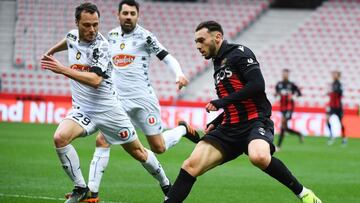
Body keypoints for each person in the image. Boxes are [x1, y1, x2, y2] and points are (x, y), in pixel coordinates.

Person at [163, 21, 322, 203]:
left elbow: (256, 85)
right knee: (190, 166)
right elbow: (236, 99)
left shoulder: (239, 53)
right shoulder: (217, 64)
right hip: (229, 127)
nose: (198, 46)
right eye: (196, 42)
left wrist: (221, 102)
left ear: (217, 37)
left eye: (201, 40)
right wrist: (218, 119)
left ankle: (304, 194)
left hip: (255, 121)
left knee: (259, 157)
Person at [41, 3, 171, 203]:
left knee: (138, 152)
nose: (92, 30)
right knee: (60, 138)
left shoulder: (101, 47)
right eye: (86, 25)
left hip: (109, 111)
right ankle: (81, 188)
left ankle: (166, 183)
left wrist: (62, 69)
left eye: (95, 24)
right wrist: (50, 53)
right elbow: (67, 40)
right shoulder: (72, 36)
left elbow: (95, 80)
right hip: (83, 110)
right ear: (77, 24)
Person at [78, 0, 200, 201]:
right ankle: (92, 192)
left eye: (132, 13)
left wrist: (179, 74)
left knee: (158, 147)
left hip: (143, 100)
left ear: (137, 16)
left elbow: (167, 56)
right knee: (102, 139)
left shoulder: (146, 36)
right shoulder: (111, 36)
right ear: (118, 15)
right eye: (125, 13)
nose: (128, 16)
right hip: (118, 101)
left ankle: (183, 130)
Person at [275, 69, 303, 150]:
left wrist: (293, 96)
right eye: (283, 74)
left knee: (283, 126)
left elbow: (299, 94)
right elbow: (276, 93)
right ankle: (299, 134)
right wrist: (277, 94)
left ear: (288, 75)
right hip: (282, 108)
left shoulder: (292, 85)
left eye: (286, 74)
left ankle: (278, 146)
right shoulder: (279, 84)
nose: (285, 75)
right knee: (285, 128)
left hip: (290, 108)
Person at [326, 71, 346, 145]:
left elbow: (340, 93)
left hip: (338, 107)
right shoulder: (332, 84)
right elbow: (329, 93)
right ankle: (331, 135)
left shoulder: (340, 84)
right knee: (327, 120)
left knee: (340, 123)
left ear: (338, 76)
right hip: (331, 106)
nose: (333, 75)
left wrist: (332, 91)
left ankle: (344, 138)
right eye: (333, 74)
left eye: (335, 74)